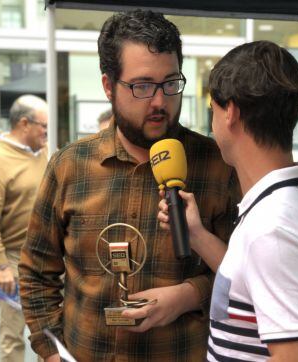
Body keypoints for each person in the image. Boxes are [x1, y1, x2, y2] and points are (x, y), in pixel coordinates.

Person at [18, 9, 239, 362]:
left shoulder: (218, 166)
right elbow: (35, 273)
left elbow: (248, 276)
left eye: (170, 83)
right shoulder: (69, 165)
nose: (159, 102)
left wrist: (189, 294)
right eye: (142, 86)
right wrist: (52, 352)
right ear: (108, 86)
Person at [158, 40, 298, 362]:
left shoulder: (273, 227)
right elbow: (251, 280)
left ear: (231, 112)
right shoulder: (297, 200)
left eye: (212, 110)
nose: (211, 125)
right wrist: (197, 235)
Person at [0, 94, 48, 362]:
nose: (46, 133)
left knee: (49, 335)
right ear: (24, 123)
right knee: (12, 336)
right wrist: (1, 265)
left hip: (48, 257)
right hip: (15, 260)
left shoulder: (44, 154)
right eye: (43, 126)